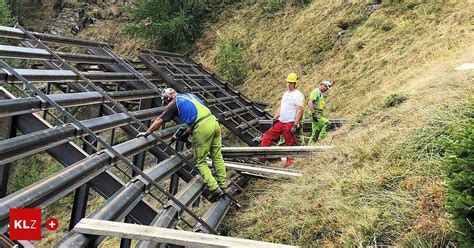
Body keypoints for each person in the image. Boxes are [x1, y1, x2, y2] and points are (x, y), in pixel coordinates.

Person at [136, 88, 226, 202]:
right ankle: (223, 185)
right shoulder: (189, 95)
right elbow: (198, 113)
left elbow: (160, 120)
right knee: (217, 156)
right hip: (212, 121)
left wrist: (147, 132)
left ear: (168, 97)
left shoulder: (174, 103)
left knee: (200, 162)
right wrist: (187, 132)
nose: (166, 103)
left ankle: (215, 189)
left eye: (166, 100)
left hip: (203, 128)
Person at [260, 73, 304, 167]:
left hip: (290, 122)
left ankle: (289, 162)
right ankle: (262, 159)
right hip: (281, 121)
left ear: (295, 84)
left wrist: (295, 125)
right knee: (267, 137)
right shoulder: (285, 94)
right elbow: (281, 107)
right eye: (288, 82)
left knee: (289, 142)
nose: (288, 85)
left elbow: (300, 110)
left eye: (291, 83)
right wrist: (274, 118)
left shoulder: (298, 95)